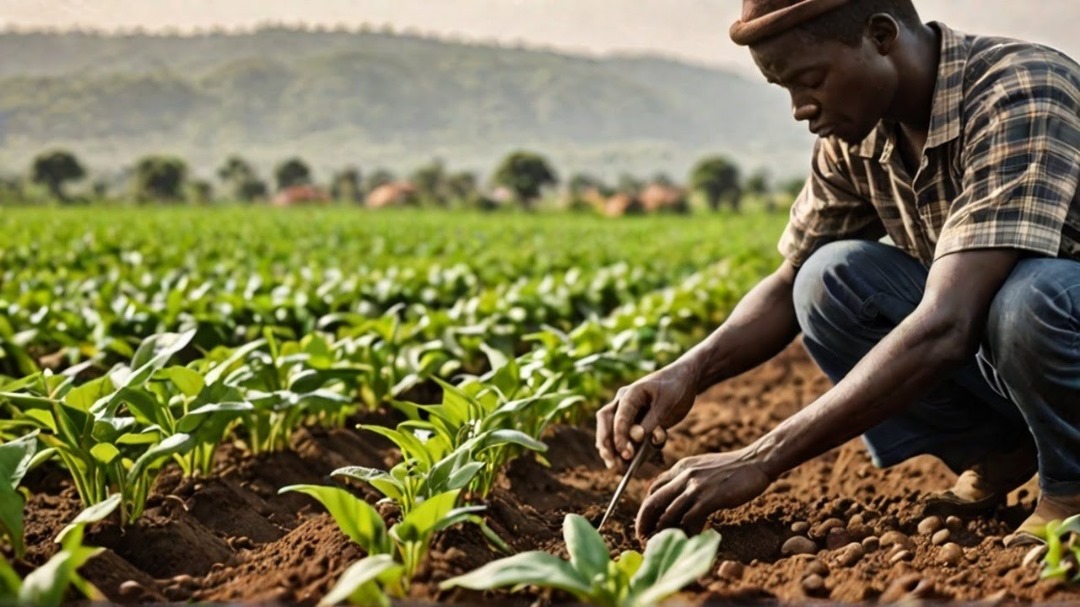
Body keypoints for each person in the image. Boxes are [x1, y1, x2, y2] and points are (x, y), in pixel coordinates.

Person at [595, 0, 1080, 548]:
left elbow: (947, 324)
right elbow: (787, 282)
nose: (801, 109)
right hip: (1010, 347)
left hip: (1055, 321)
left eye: (810, 81)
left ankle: (1073, 485)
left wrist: (761, 459)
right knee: (827, 279)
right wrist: (686, 372)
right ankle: (999, 448)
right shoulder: (857, 135)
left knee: (1031, 298)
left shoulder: (1019, 90)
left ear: (880, 36)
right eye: (786, 90)